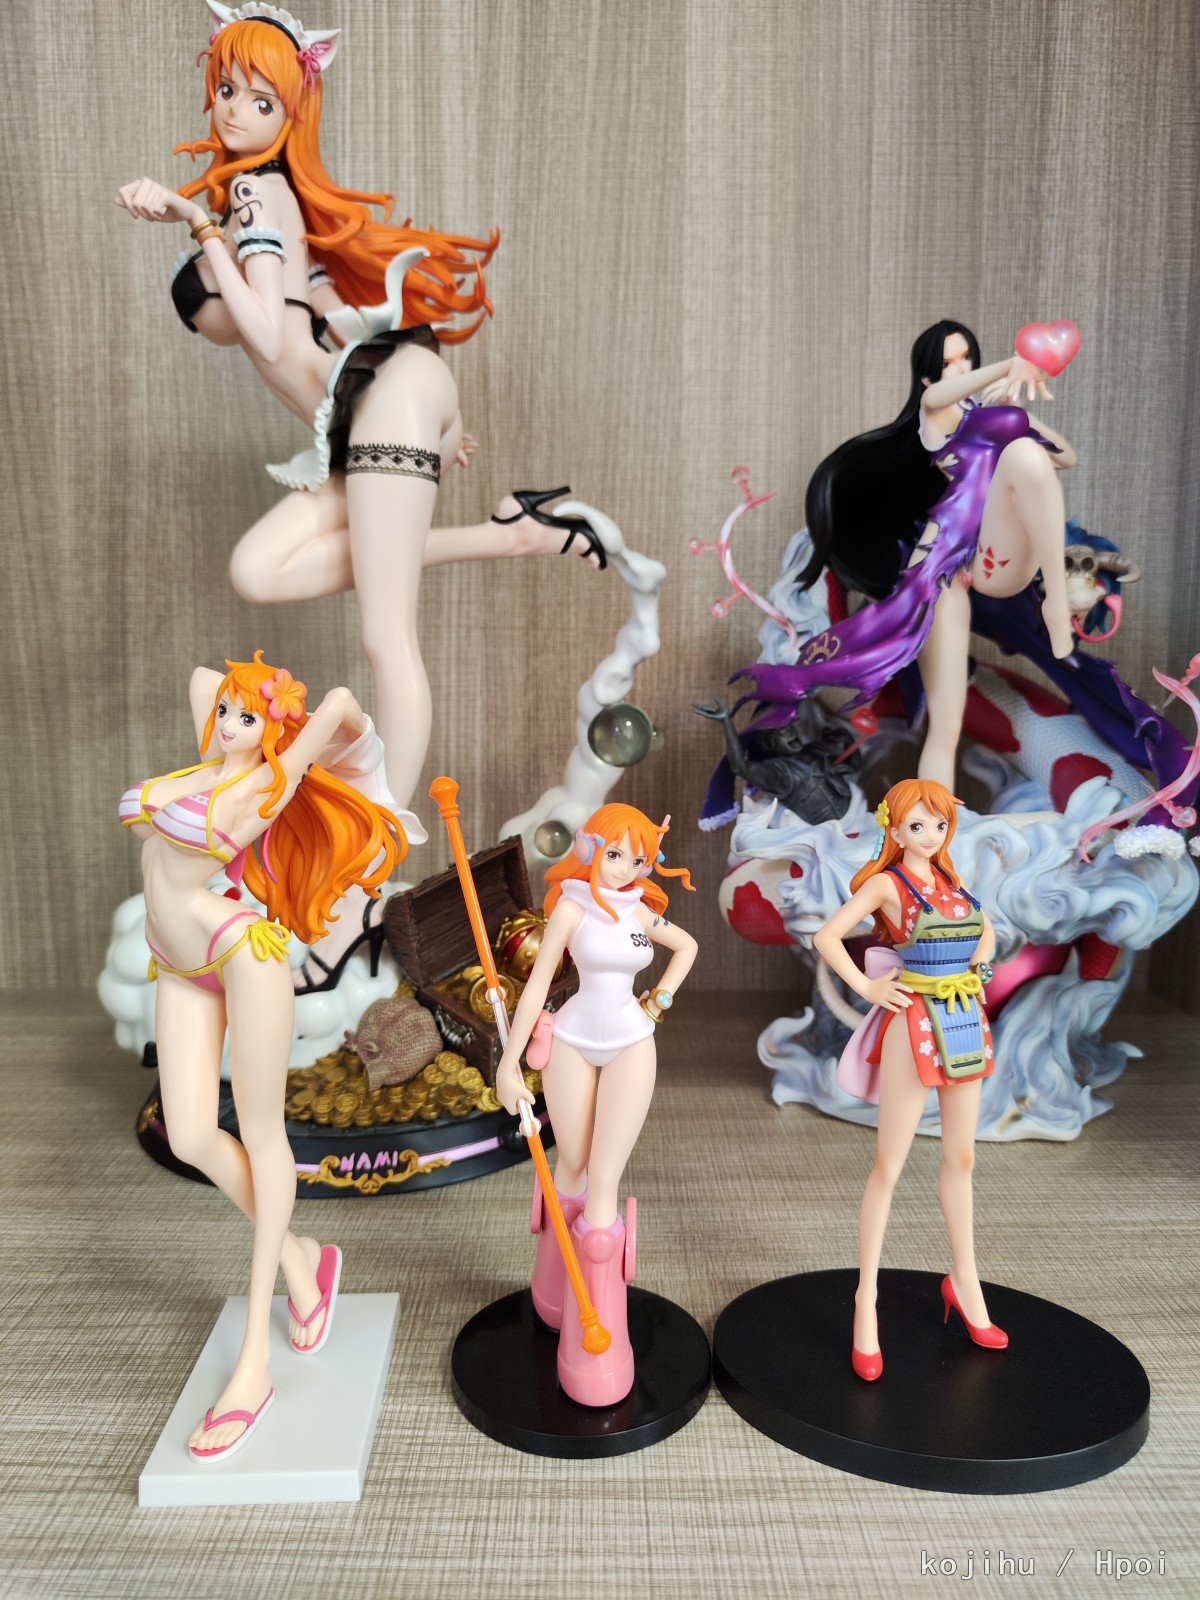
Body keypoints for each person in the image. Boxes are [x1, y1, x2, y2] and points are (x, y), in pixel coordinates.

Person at [116, 4, 607, 981]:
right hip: (373, 409)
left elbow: (270, 332)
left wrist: (196, 222)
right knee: (258, 568)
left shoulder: (251, 199)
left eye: (261, 98)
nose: (235, 110)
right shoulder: (264, 207)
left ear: (292, 111)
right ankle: (509, 534)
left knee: (388, 637)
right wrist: (437, 417)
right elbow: (338, 324)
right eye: (226, 91)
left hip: (383, 404)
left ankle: (367, 864)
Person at [120, 650, 407, 1459]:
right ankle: (301, 1258)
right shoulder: (210, 753)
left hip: (240, 954)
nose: (228, 724)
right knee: (188, 1136)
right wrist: (251, 692)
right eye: (226, 714)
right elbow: (200, 680)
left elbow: (338, 703)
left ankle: (254, 1360)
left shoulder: (267, 787)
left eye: (246, 719)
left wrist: (325, 730)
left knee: (259, 1132)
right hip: (177, 961)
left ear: (272, 733)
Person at [734, 321, 1076, 791]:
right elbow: (941, 396)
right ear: (928, 375)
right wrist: (1008, 366)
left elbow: (1065, 457)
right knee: (946, 723)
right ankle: (937, 829)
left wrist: (1013, 411)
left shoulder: (986, 410)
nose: (959, 368)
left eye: (965, 358)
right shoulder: (933, 412)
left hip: (990, 556)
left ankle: (1056, 600)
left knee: (1026, 456)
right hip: (941, 573)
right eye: (947, 363)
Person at [493, 805, 697, 1406]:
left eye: (638, 859)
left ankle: (596, 1340)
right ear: (590, 849)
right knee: (573, 1166)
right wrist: (509, 1063)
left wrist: (658, 1001)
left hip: (632, 1040)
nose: (625, 867)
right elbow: (538, 984)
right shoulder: (572, 906)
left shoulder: (642, 911)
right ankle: (553, 1292)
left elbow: (686, 947)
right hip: (573, 1040)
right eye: (615, 854)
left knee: (605, 1180)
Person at [812, 779, 1008, 1382]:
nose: (929, 835)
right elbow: (826, 936)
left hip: (965, 1020)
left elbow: (986, 929)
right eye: (917, 825)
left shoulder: (951, 881)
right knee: (889, 1165)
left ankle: (965, 1281)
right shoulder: (887, 885)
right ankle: (865, 1299)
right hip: (914, 1020)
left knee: (962, 1157)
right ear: (894, 829)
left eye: (939, 825)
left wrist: (981, 962)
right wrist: (868, 987)